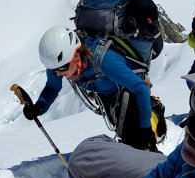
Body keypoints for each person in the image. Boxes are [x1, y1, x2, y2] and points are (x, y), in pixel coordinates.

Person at [25, 22, 158, 152]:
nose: (59, 74)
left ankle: (158, 158)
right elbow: (52, 87)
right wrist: (39, 107)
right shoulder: (58, 63)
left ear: (76, 54)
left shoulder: (104, 60)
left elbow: (140, 88)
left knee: (140, 143)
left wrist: (146, 129)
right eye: (54, 71)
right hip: (108, 93)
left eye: (62, 68)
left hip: (131, 90)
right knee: (128, 140)